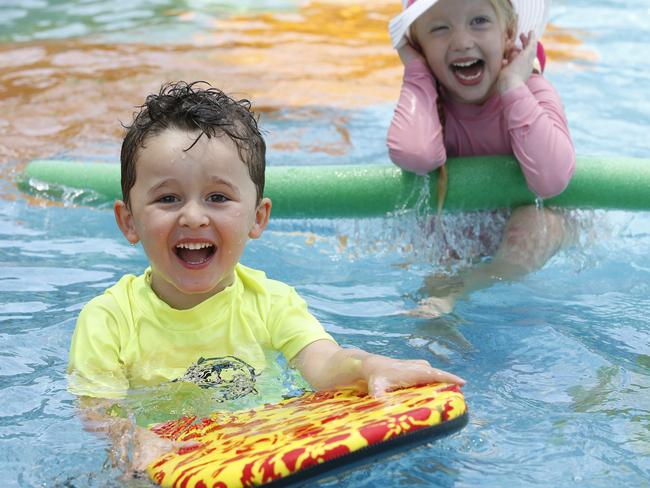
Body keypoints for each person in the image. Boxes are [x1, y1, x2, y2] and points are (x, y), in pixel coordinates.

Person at [67, 81, 465, 475]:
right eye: (167, 198)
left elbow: (324, 363)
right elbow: (98, 411)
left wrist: (369, 366)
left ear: (258, 218)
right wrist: (129, 436)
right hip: (162, 463)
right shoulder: (108, 319)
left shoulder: (271, 301)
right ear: (128, 220)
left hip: (260, 457)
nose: (193, 216)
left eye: (218, 197)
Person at [387, 0, 576, 316]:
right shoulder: (428, 101)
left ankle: (462, 289)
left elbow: (551, 179)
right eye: (440, 28)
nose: (461, 42)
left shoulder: (532, 89)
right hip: (465, 238)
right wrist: (416, 71)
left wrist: (512, 85)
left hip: (533, 233)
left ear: (508, 33)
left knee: (536, 223)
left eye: (479, 21)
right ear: (418, 46)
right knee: (437, 260)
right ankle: (444, 307)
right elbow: (415, 154)